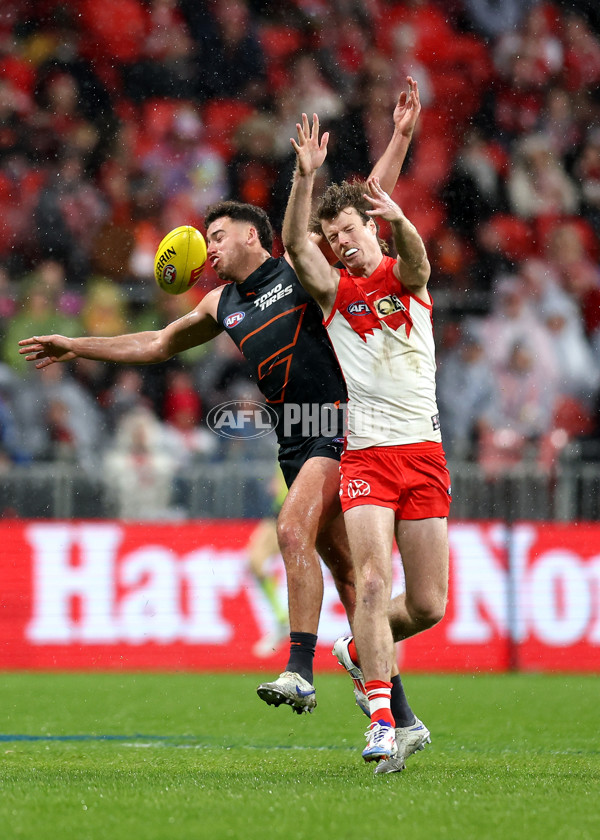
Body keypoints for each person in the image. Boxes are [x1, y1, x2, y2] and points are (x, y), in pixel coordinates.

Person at [19, 79, 422, 718]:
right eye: (206, 236)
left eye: (219, 232)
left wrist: (399, 137)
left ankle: (298, 666)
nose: (208, 244)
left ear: (253, 236)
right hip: (294, 438)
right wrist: (77, 344)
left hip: (339, 426)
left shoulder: (302, 264)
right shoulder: (220, 304)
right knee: (348, 577)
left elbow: (366, 210)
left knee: (291, 528)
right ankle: (400, 716)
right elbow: (156, 343)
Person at [282, 113, 450, 771]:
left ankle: (356, 651)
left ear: (370, 226)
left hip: (425, 455)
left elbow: (418, 260)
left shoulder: (406, 281)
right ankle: (381, 720)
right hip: (368, 458)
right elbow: (296, 244)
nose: (340, 243)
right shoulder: (335, 293)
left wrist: (400, 216)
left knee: (430, 604)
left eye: (348, 230)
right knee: (374, 582)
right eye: (333, 237)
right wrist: (305, 179)